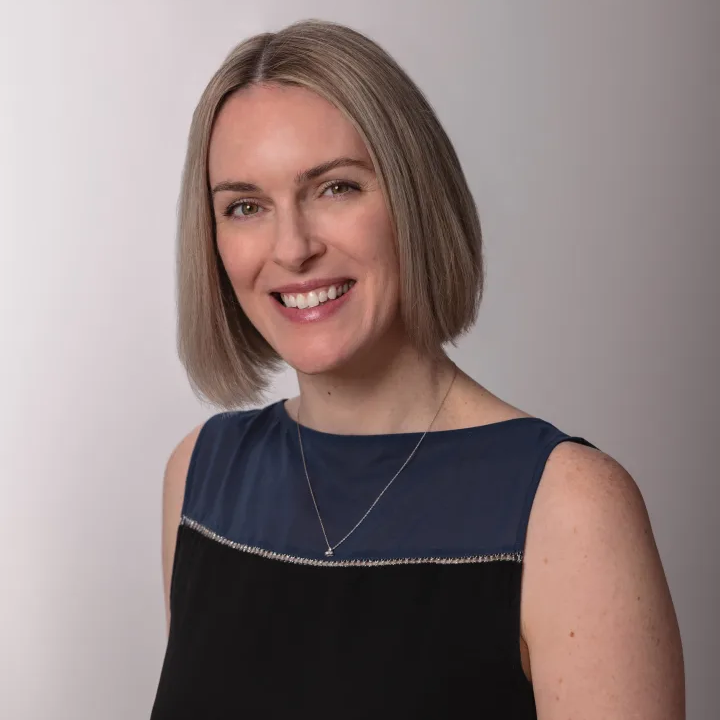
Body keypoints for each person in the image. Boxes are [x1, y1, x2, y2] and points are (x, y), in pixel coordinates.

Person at [150, 18, 685, 720]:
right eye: (246, 206)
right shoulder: (201, 478)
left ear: (412, 197)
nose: (292, 247)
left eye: (335, 188)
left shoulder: (569, 509)